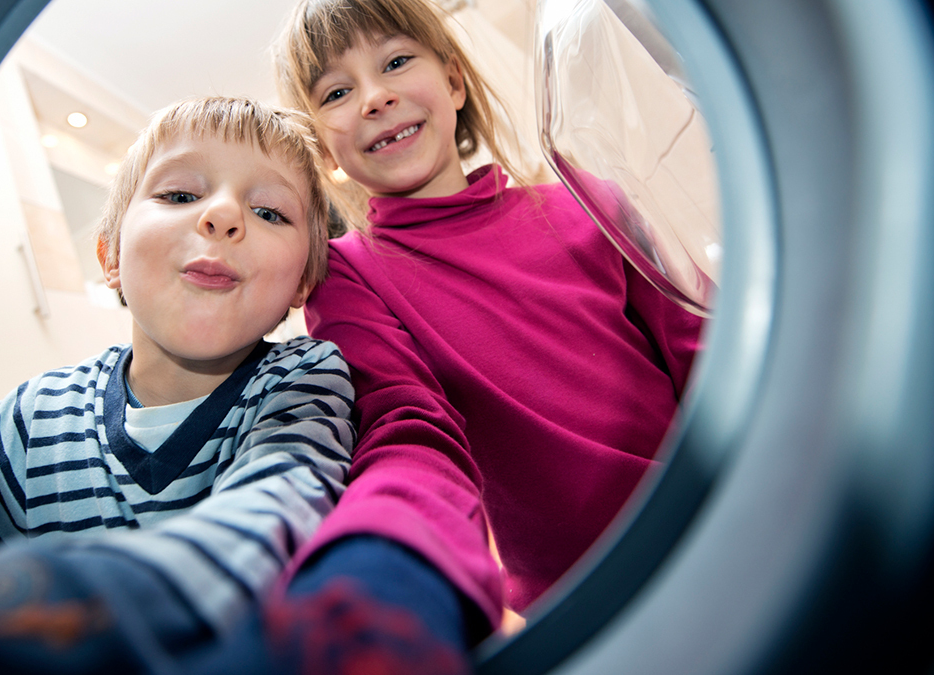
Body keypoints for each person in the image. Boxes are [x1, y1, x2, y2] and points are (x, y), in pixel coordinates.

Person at [190, 0, 704, 671]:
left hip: (714, 511)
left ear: (455, 83)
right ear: (326, 146)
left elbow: (698, 349)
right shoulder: (350, 273)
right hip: (585, 605)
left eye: (397, 61)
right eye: (337, 92)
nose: (375, 97)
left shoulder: (585, 200)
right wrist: (383, 577)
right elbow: (405, 431)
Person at [0, 95, 355, 674]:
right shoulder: (29, 418)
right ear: (110, 254)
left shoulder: (304, 378)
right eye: (180, 195)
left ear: (304, 280)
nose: (222, 216)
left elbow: (280, 512)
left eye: (269, 212)